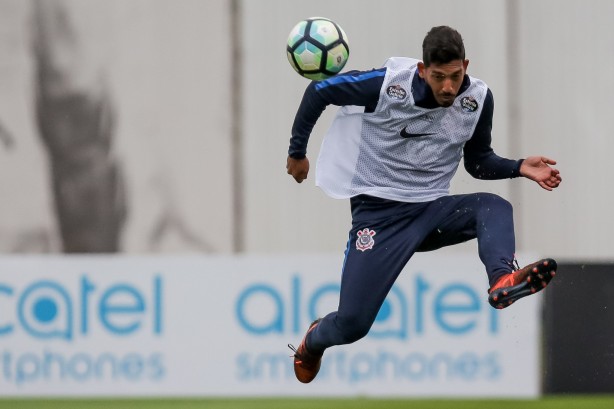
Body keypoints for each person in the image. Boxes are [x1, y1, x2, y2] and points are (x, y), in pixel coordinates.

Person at [285, 26, 562, 384]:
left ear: (466, 65)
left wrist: (518, 166)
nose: (448, 87)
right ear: (421, 70)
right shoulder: (387, 85)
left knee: (494, 206)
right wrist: (297, 153)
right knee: (352, 325)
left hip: (431, 212)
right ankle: (313, 341)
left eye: (455, 76)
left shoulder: (477, 99)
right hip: (379, 216)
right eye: (438, 77)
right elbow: (319, 89)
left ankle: (501, 280)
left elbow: (477, 163)